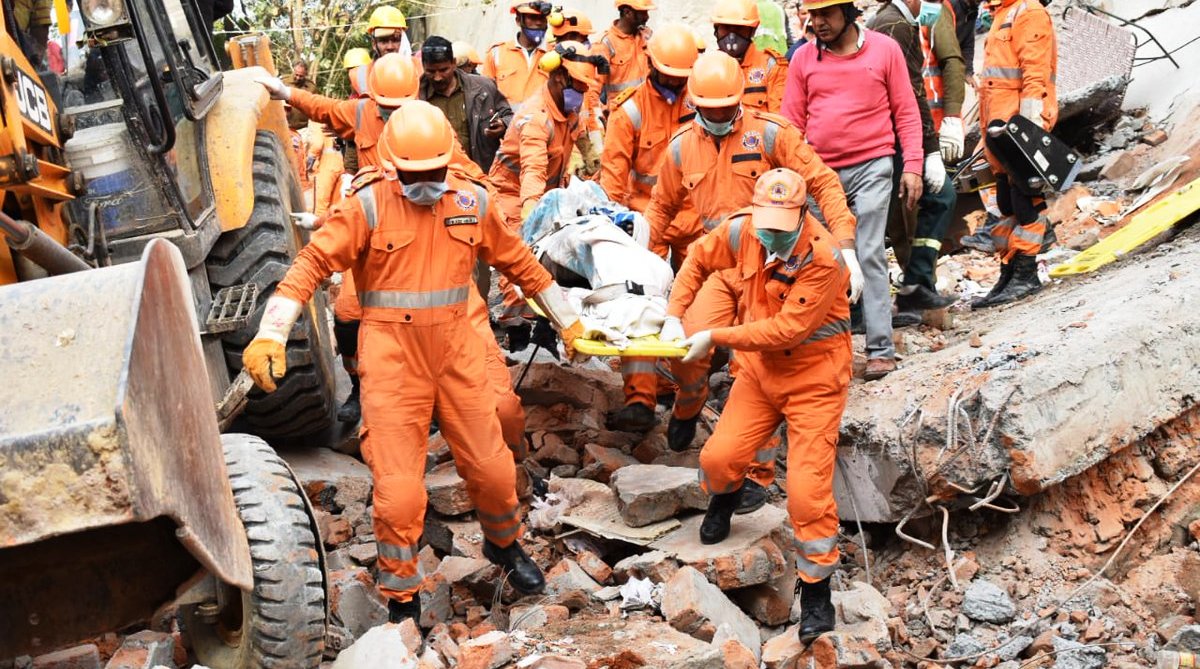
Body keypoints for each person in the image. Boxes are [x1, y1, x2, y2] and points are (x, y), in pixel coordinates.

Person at [242, 101, 586, 625]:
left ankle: (504, 545)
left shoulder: (472, 199)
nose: (423, 182)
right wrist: (272, 331)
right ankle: (402, 594)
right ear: (390, 165)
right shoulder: (367, 205)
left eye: (432, 172)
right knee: (400, 492)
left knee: (493, 470)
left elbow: (520, 263)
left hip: (458, 350)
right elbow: (312, 264)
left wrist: (568, 319)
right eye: (412, 174)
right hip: (392, 357)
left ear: (447, 162)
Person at [647, 51, 856, 512]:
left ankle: (755, 475)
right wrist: (642, 264)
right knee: (683, 347)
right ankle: (689, 401)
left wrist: (846, 246)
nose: (720, 118)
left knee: (754, 368)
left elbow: (822, 183)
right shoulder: (682, 146)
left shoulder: (771, 133)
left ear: (740, 101)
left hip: (770, 268)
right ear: (695, 105)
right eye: (710, 111)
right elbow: (660, 207)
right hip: (722, 262)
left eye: (727, 110)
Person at [668, 168, 851, 644]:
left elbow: (786, 331)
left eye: (782, 225)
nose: (772, 234)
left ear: (802, 214)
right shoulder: (741, 230)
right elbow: (695, 261)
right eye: (765, 223)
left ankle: (816, 594)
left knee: (807, 494)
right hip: (760, 373)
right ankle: (723, 501)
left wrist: (714, 336)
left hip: (814, 379)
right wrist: (673, 315)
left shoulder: (823, 258)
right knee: (718, 457)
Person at [782, 0, 924, 381]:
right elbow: (791, 124)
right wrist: (789, 179)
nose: (818, 23)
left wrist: (913, 165)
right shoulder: (803, 60)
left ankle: (880, 349)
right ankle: (818, 352)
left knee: (868, 250)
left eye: (825, 14)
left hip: (873, 164)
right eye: (813, 15)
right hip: (819, 173)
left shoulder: (884, 50)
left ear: (848, 12)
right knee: (819, 259)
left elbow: (906, 111)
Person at [598, 24, 701, 434]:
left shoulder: (701, 100)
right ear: (652, 68)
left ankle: (687, 385)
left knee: (694, 303)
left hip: (696, 220)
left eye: (682, 78)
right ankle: (641, 397)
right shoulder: (629, 112)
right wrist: (617, 229)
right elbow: (612, 177)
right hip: (648, 223)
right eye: (670, 77)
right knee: (638, 305)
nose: (676, 84)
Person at [868, 0, 961, 325]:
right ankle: (913, 288)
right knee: (938, 199)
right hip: (898, 137)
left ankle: (915, 289)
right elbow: (911, 95)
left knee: (903, 215)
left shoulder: (888, 22)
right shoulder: (896, 27)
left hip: (893, 136)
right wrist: (930, 150)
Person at [970, 0, 1057, 308]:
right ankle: (1010, 268)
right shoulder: (1002, 13)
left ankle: (1026, 272)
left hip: (1017, 121)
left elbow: (1035, 69)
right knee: (1007, 201)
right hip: (998, 123)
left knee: (1025, 198)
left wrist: (1030, 122)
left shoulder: (1028, 11)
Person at [420, 37, 514, 173]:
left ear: (453, 63)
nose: (437, 77)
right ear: (423, 66)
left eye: (443, 70)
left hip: (480, 177)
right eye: (431, 71)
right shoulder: (415, 98)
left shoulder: (484, 88)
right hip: (438, 178)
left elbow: (510, 117)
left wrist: (503, 124)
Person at [711, 0, 789, 113]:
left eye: (739, 28)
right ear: (716, 31)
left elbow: (780, 120)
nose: (732, 36)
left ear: (752, 31)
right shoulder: (706, 69)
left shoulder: (771, 66)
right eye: (726, 27)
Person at [484, 0, 554, 109]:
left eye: (542, 18)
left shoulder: (554, 56)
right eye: (532, 17)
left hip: (540, 125)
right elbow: (485, 98)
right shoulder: (496, 53)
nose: (539, 23)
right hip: (506, 124)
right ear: (518, 20)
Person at [593, 0, 654, 112]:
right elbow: (592, 89)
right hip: (621, 117)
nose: (647, 17)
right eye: (643, 13)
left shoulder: (646, 37)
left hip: (648, 112)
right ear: (627, 13)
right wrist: (598, 120)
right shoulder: (604, 44)